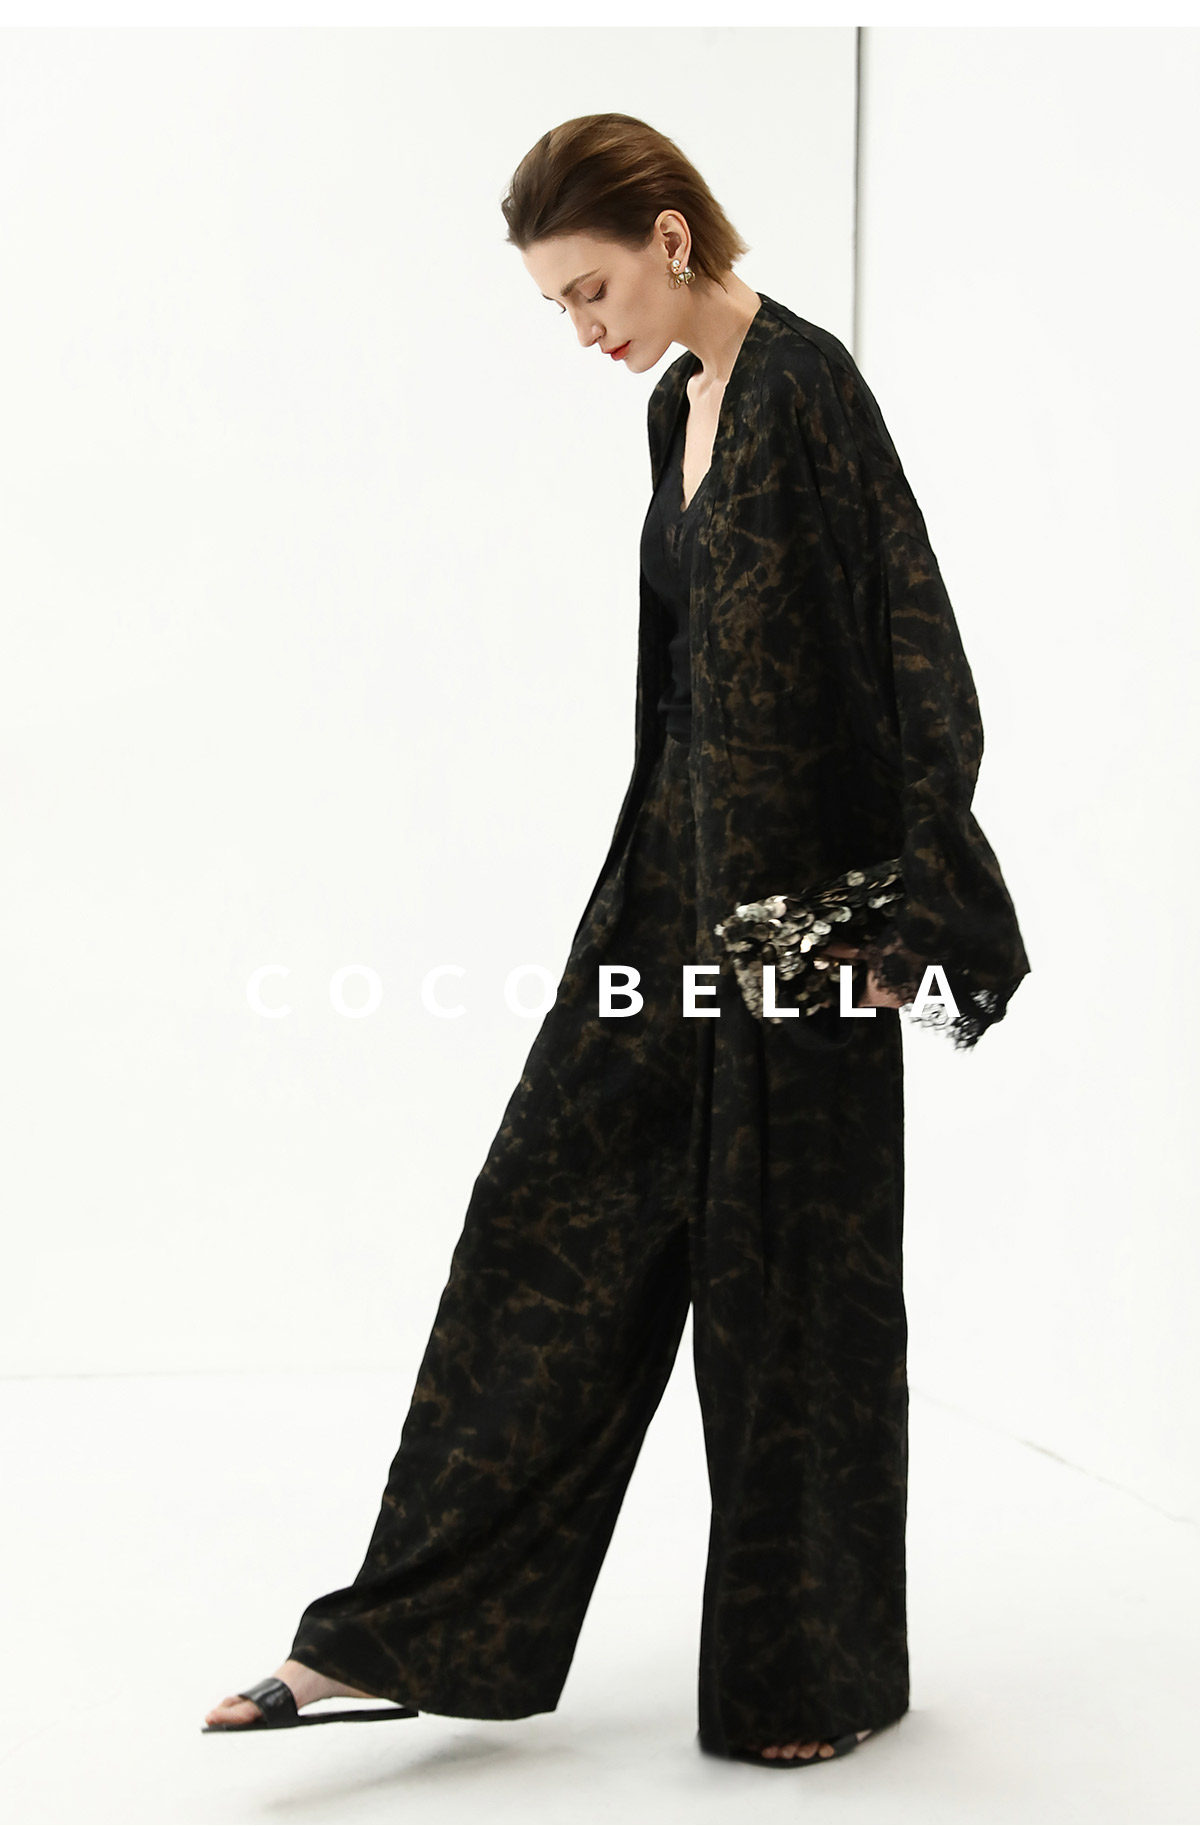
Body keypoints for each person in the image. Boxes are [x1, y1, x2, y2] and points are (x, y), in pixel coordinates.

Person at [204, 112, 1030, 1768]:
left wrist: (916, 908)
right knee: (543, 1221)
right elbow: (681, 685)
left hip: (804, 921)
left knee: (792, 1297)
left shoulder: (808, 389)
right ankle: (390, 1634)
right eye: (558, 308)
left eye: (590, 291)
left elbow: (918, 648)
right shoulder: (676, 407)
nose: (584, 331)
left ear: (668, 234)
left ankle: (815, 1679)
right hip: (666, 886)